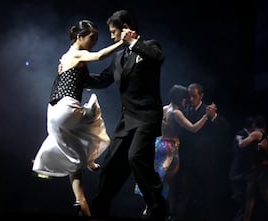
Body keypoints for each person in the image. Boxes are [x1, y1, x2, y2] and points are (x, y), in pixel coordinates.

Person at [32, 19, 124, 217]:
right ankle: (90, 160)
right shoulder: (76, 53)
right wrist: (122, 44)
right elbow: (99, 56)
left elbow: (86, 79)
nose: (94, 43)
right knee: (93, 113)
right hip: (67, 108)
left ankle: (81, 203)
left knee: (74, 160)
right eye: (91, 38)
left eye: (96, 39)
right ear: (79, 37)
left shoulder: (65, 57)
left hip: (52, 114)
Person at [84, 9, 167, 220]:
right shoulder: (118, 57)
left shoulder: (149, 46)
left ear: (126, 28)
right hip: (127, 120)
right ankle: (98, 211)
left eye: (114, 31)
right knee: (110, 167)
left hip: (146, 117)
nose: (111, 36)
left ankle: (157, 207)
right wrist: (76, 73)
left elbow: (158, 58)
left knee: (137, 157)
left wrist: (134, 42)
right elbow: (102, 80)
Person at [134, 84, 215, 216]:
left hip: (158, 145)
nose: (186, 101)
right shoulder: (176, 112)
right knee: (172, 184)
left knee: (156, 181)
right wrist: (206, 116)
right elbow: (193, 128)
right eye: (185, 98)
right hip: (169, 148)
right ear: (180, 98)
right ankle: (169, 213)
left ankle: (148, 209)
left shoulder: (163, 109)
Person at [169, 82, 228, 221]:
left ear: (201, 96)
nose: (190, 99)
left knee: (207, 197)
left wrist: (213, 116)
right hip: (187, 160)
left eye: (194, 96)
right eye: (189, 96)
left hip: (205, 160)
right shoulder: (183, 110)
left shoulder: (208, 110)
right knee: (182, 193)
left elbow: (225, 127)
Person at [236, 115, 268, 221]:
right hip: (262, 169)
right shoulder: (266, 136)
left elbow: (242, 144)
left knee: (253, 196)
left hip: (259, 170)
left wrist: (239, 138)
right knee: (262, 196)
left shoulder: (257, 133)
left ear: (254, 125)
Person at [229, 116, 256, 221]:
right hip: (238, 173)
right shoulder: (240, 135)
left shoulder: (251, 136)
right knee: (242, 201)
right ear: (252, 125)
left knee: (247, 202)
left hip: (246, 173)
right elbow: (240, 153)